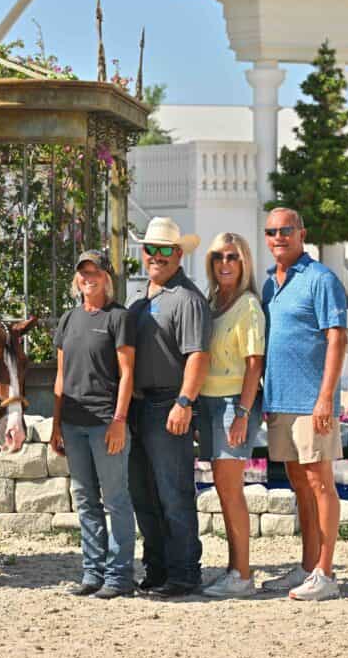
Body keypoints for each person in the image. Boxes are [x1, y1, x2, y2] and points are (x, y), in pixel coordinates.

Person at [261, 208, 348, 601]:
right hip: (280, 401)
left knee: (319, 483)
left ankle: (326, 573)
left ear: (301, 233)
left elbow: (337, 339)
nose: (278, 236)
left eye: (285, 230)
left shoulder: (321, 279)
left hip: (312, 403)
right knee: (299, 485)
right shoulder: (268, 285)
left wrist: (326, 398)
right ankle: (308, 565)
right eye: (271, 231)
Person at [126, 216, 210, 598]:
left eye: (164, 250)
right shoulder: (143, 297)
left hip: (168, 404)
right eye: (150, 249)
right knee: (144, 494)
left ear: (178, 254)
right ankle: (157, 567)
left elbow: (197, 356)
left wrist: (184, 402)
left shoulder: (187, 299)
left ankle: (184, 572)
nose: (156, 257)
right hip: (139, 408)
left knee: (174, 493)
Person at [50, 250, 136, 599]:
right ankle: (92, 572)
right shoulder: (68, 319)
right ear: (77, 279)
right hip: (73, 424)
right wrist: (56, 425)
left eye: (95, 272)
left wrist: (119, 421)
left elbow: (127, 373)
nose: (89, 278)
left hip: (105, 423)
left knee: (115, 499)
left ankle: (119, 576)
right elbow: (60, 377)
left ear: (106, 278)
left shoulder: (119, 318)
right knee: (85, 499)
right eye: (83, 273)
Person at [196, 233, 265, 599]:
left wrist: (242, 412)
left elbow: (255, 364)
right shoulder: (213, 301)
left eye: (233, 257)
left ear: (244, 262)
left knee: (231, 492)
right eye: (219, 256)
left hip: (232, 406)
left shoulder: (248, 305)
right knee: (223, 491)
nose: (225, 263)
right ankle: (233, 569)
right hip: (208, 403)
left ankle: (242, 574)